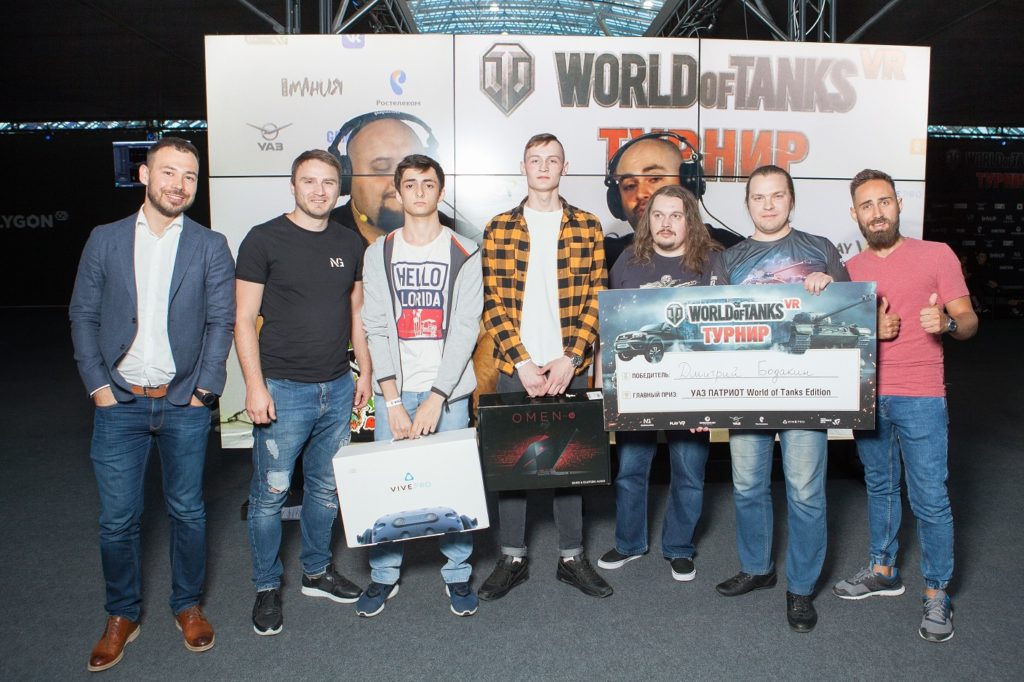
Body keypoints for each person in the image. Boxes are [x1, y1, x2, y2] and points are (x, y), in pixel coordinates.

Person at [69, 137, 235, 671]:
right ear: (144, 175)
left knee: (188, 510)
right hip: (118, 402)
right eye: (168, 172)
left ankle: (187, 604)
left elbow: (221, 322)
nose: (178, 185)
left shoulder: (210, 245)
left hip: (184, 403)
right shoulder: (105, 239)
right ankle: (121, 614)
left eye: (189, 176)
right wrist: (98, 387)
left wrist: (205, 390)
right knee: (118, 520)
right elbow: (83, 315)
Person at [833, 169, 978, 643]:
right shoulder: (849, 270)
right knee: (879, 485)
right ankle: (882, 569)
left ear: (898, 204)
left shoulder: (937, 254)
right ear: (855, 215)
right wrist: (870, 330)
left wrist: (947, 324)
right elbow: (837, 336)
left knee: (930, 496)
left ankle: (937, 592)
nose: (877, 213)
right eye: (867, 206)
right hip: (868, 395)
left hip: (921, 393)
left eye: (884, 202)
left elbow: (969, 321)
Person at [235, 149, 372, 636]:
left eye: (328, 182)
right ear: (293, 186)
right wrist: (255, 386)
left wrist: (365, 372)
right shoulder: (263, 239)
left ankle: (316, 571)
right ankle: (267, 585)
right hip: (282, 389)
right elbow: (243, 320)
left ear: (340, 188)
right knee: (270, 494)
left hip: (337, 387)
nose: (319, 191)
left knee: (325, 488)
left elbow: (356, 313)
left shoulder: (349, 242)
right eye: (309, 181)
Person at [478, 133, 612, 600]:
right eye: (535, 159)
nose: (543, 167)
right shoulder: (498, 227)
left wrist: (571, 358)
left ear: (564, 167)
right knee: (512, 468)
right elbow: (492, 301)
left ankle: (572, 558)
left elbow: (597, 294)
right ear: (523, 166)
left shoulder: (587, 225)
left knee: (570, 468)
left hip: (567, 366)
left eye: (551, 160)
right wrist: (521, 361)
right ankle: (511, 557)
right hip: (517, 367)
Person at [716, 164, 849, 633]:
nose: (768, 205)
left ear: (791, 200)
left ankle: (801, 587)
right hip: (747, 390)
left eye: (777, 195)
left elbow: (849, 314)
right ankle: (757, 567)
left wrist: (830, 288)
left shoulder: (820, 249)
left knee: (806, 493)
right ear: (747, 203)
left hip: (804, 390)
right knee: (747, 486)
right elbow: (711, 329)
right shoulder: (728, 260)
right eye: (758, 197)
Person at [357, 154, 483, 617]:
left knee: (453, 487)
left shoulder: (466, 250)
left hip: (447, 394)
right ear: (398, 191)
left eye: (428, 184)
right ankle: (383, 575)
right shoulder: (380, 252)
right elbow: (374, 324)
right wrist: (391, 399)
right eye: (410, 184)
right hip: (395, 391)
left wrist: (436, 397)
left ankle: (458, 573)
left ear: (440, 191)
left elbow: (466, 329)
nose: (419, 192)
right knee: (388, 488)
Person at [596, 184, 727, 581]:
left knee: (689, 472)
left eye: (675, 215)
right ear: (647, 221)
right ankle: (629, 542)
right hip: (639, 388)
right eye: (658, 215)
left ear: (690, 221)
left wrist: (711, 399)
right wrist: (607, 389)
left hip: (692, 388)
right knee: (630, 470)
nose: (665, 223)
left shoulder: (712, 262)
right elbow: (611, 328)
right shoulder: (628, 262)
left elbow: (723, 332)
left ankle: (679, 547)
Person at [327, 112, 474, 246]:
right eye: (382, 167)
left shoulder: (466, 240)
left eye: (412, 166)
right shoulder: (319, 235)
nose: (400, 180)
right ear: (346, 178)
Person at [603, 133, 742, 266]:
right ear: (617, 199)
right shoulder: (607, 257)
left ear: (687, 183)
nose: (640, 193)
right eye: (630, 185)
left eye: (654, 179)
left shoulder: (734, 250)